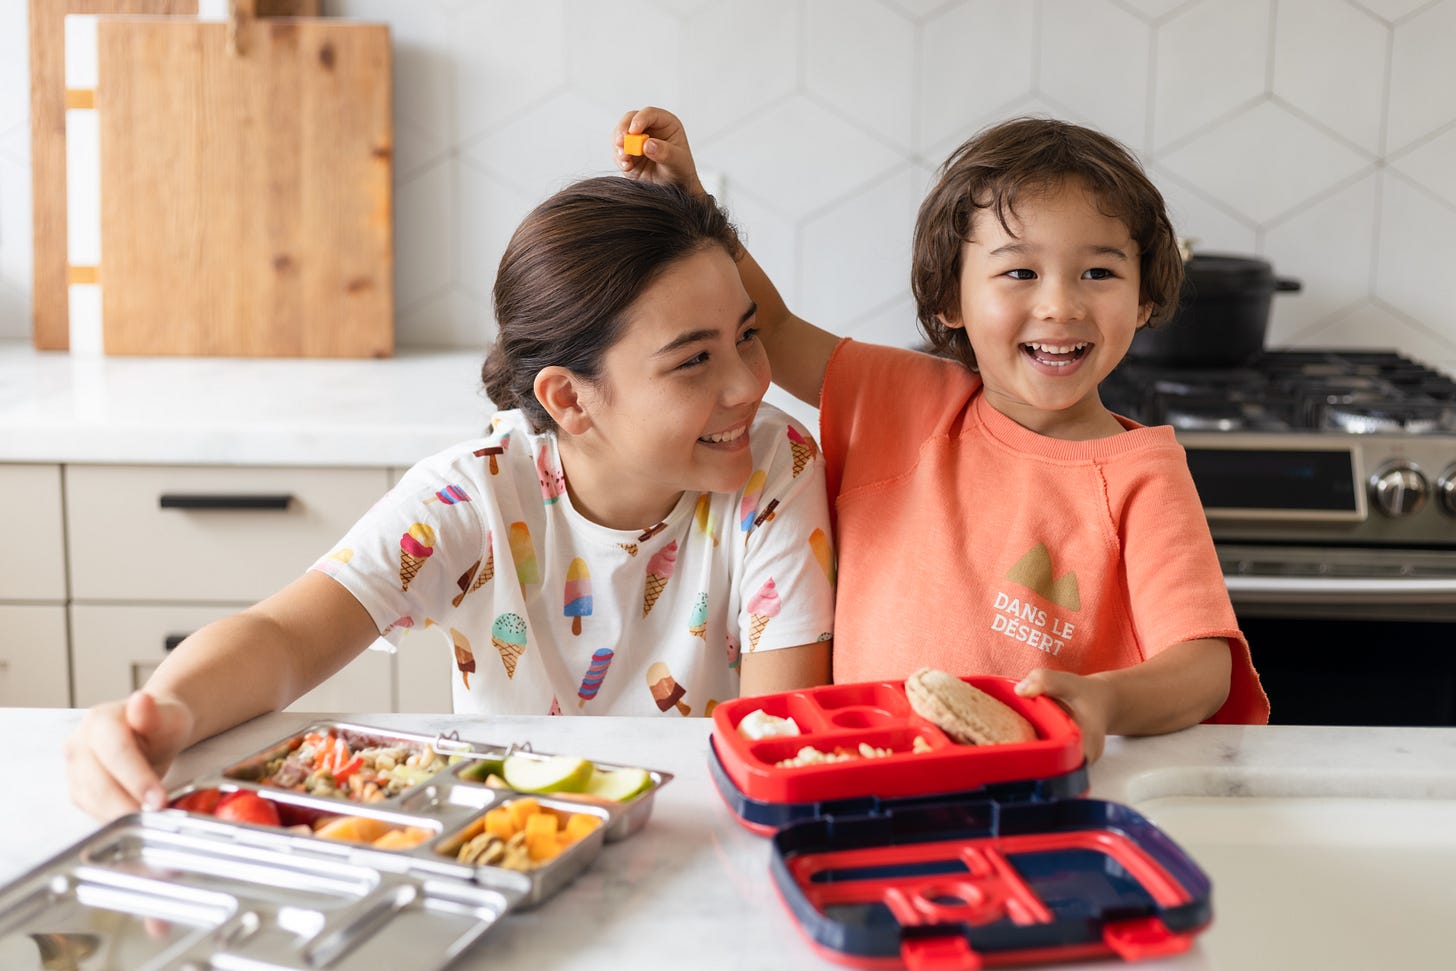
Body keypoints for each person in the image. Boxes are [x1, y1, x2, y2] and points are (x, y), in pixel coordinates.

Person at [67, 177, 836, 820]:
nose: (750, 382)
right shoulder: (475, 493)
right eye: (695, 360)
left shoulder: (775, 467)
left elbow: (772, 744)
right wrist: (165, 709)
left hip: (699, 846)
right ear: (569, 398)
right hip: (502, 844)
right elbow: (284, 634)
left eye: (746, 335)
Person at [613, 107, 1269, 762]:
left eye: (1099, 272)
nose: (1061, 305)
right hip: (865, 786)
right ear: (950, 298)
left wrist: (1102, 701)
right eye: (1020, 272)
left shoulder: (1140, 475)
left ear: (1145, 299)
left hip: (1041, 799)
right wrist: (690, 199)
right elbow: (775, 329)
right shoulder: (899, 399)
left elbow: (1204, 668)